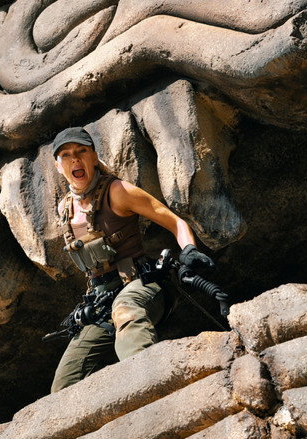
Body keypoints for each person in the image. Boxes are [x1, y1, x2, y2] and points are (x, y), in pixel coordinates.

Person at [50, 126, 216, 393]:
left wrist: (189, 250)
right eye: (66, 155)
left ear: (94, 157)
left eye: (82, 151)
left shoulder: (117, 191)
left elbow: (175, 222)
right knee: (64, 383)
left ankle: (150, 389)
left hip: (142, 284)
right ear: (58, 166)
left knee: (125, 308)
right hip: (102, 301)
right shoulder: (64, 209)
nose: (75, 159)